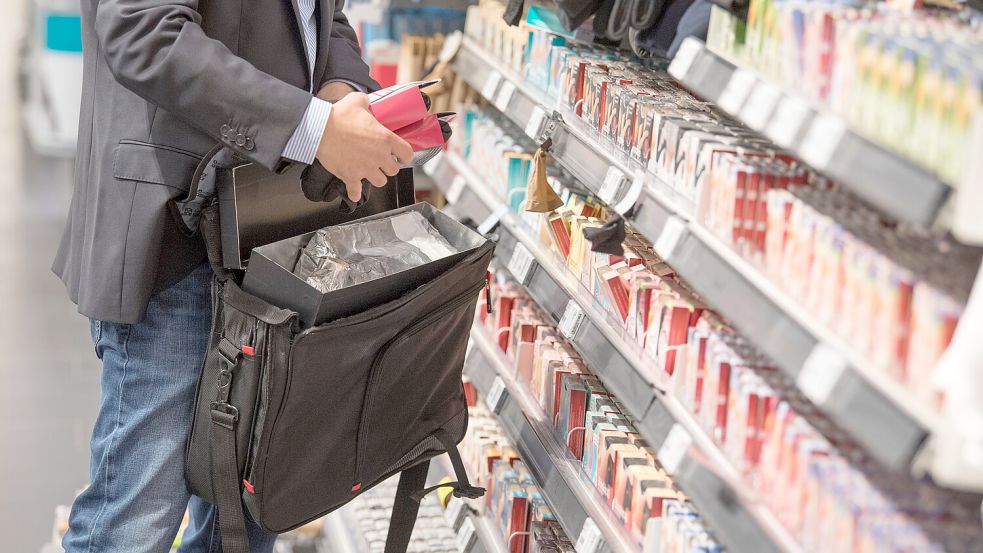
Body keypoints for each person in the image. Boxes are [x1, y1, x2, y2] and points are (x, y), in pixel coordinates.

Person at [52, 0, 412, 551]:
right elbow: (143, 32)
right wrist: (313, 129)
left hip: (270, 230)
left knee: (245, 518)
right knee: (136, 518)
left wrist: (341, 89)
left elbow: (321, 18)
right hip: (177, 233)